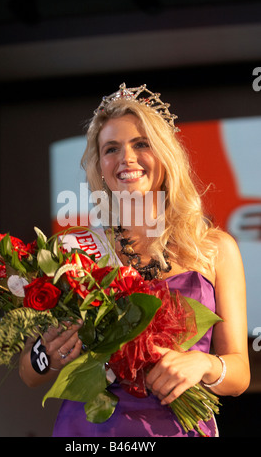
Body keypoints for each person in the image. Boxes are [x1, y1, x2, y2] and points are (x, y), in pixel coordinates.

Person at [19, 83, 250, 437]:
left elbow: (238, 376)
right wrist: (47, 352)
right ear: (101, 165)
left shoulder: (215, 247)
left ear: (165, 154)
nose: (126, 159)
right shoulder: (74, 248)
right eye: (112, 149)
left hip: (180, 429)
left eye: (141, 144)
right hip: (90, 431)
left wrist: (202, 364)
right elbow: (29, 373)